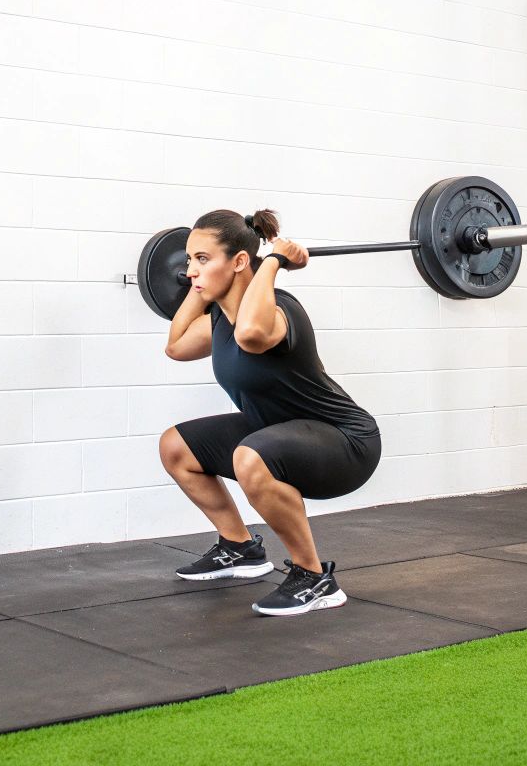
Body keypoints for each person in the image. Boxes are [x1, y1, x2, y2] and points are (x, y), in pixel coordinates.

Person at [157, 208, 382, 616]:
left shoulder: (278, 310)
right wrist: (201, 282)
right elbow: (175, 346)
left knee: (250, 456)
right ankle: (239, 548)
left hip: (345, 441)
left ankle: (314, 578)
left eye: (202, 259)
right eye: (190, 259)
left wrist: (274, 262)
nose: (190, 269)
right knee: (176, 447)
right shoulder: (221, 319)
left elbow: (252, 334)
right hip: (278, 432)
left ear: (240, 262)